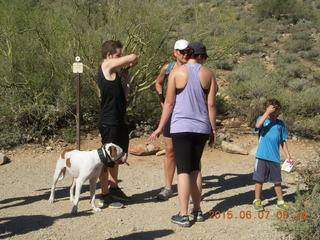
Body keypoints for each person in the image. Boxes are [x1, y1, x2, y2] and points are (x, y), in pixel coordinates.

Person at [150, 42, 218, 227]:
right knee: (196, 168)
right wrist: (213, 129)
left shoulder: (176, 73)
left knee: (183, 170)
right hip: (201, 127)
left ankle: (184, 214)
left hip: (180, 126)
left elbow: (169, 103)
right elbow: (211, 105)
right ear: (202, 56)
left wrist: (159, 127)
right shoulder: (209, 74)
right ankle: (198, 210)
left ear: (189, 53)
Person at [97, 40, 138, 208]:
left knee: (117, 157)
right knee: (107, 159)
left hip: (119, 120)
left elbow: (124, 98)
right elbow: (133, 57)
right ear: (109, 56)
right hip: (109, 122)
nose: (120, 58)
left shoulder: (114, 74)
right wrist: (130, 60)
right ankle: (104, 194)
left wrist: (126, 82)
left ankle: (114, 188)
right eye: (118, 55)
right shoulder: (106, 66)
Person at [154, 39, 189, 201]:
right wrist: (162, 101)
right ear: (175, 52)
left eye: (187, 51)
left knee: (188, 151)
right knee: (169, 150)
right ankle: (168, 187)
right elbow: (158, 83)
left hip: (188, 115)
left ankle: (189, 188)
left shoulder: (193, 68)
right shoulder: (167, 68)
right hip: (171, 114)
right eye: (181, 51)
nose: (185, 54)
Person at [253, 99, 292, 211]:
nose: (273, 112)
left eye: (275, 109)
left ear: (279, 111)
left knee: (277, 180)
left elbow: (283, 140)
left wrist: (288, 155)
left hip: (275, 157)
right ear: (266, 108)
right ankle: (257, 200)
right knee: (259, 179)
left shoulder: (280, 124)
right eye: (271, 108)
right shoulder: (262, 119)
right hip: (262, 156)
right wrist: (267, 113)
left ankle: (280, 201)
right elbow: (257, 125)